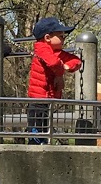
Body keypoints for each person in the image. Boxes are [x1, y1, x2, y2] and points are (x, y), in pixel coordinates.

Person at [25, 16, 81, 144]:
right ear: (47, 38)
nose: (63, 39)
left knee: (45, 124)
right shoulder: (42, 48)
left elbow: (76, 61)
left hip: (48, 98)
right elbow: (53, 63)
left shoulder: (58, 52)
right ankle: (35, 144)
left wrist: (67, 66)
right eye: (61, 36)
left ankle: (42, 142)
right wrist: (60, 73)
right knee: (36, 124)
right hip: (38, 97)